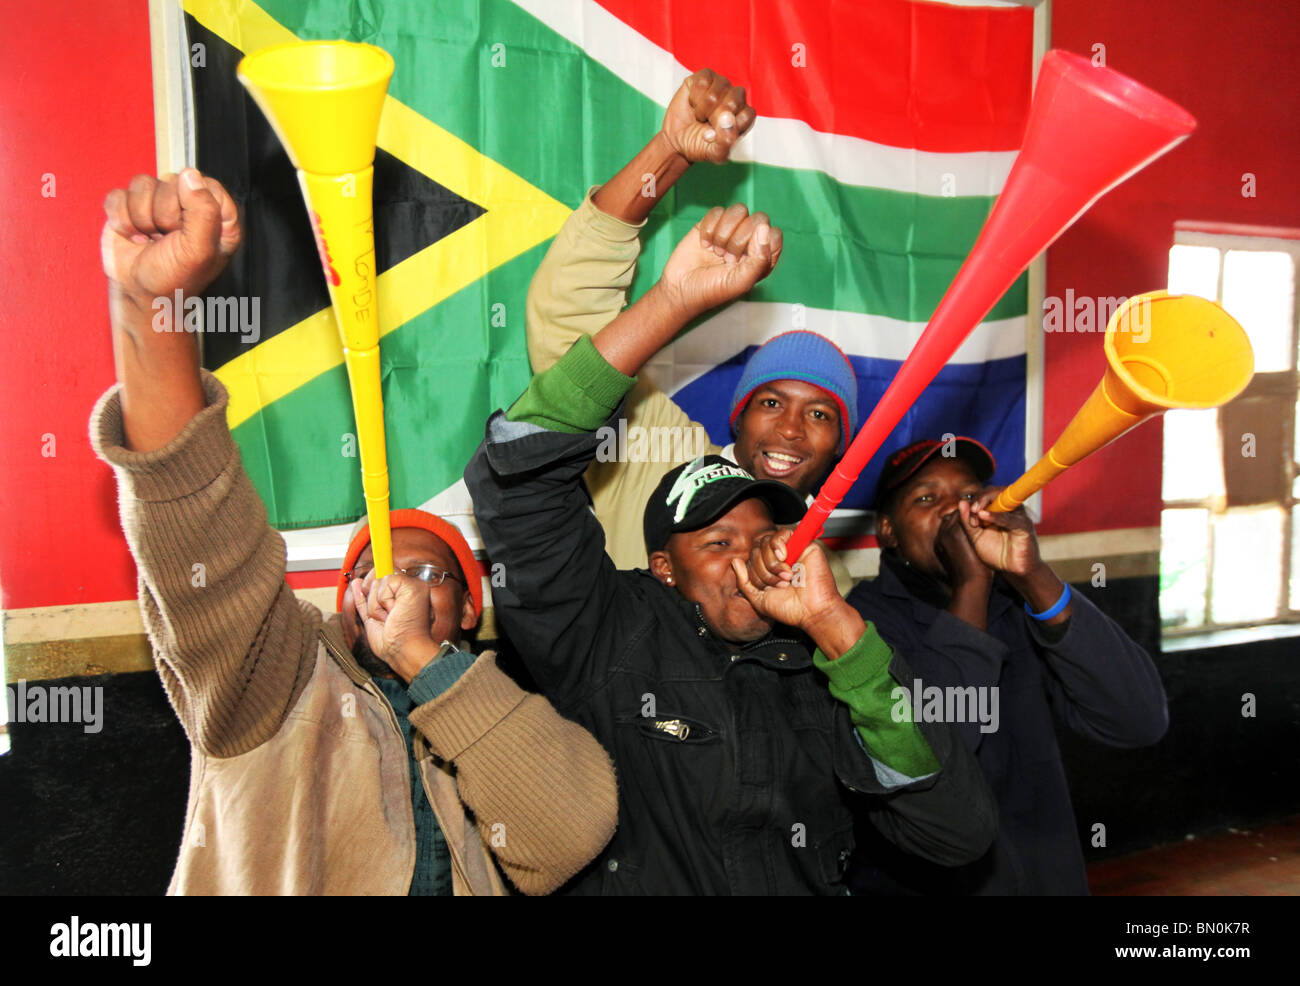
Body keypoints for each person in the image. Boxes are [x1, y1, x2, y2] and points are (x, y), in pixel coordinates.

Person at [90, 168, 618, 895]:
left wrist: (423, 660)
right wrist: (152, 303)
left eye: (432, 577)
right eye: (375, 574)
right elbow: (200, 534)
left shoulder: (499, 709)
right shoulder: (278, 681)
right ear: (341, 601)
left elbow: (569, 831)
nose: (395, 588)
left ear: (470, 610)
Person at [465, 205, 997, 894]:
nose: (750, 557)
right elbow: (526, 473)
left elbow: (957, 833)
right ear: (662, 568)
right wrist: (672, 300)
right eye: (717, 540)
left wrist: (836, 630)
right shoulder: (610, 631)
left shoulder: (826, 655)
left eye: (766, 538)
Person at [526, 69, 859, 586]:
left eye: (819, 413)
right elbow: (569, 322)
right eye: (770, 402)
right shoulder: (664, 459)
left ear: (841, 444)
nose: (790, 429)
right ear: (737, 417)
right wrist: (669, 152)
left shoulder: (828, 585)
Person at [834, 437, 1169, 894]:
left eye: (970, 496)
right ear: (888, 531)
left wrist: (1032, 575)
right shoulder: (862, 625)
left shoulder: (1018, 602)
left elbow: (1139, 720)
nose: (956, 511)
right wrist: (971, 581)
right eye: (927, 499)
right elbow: (942, 756)